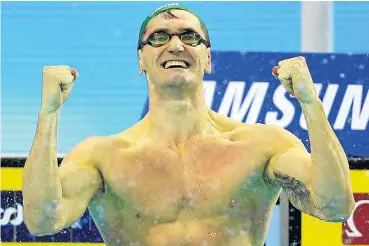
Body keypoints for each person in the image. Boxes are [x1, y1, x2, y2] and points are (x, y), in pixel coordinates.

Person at [22, 3, 355, 246]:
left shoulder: (262, 146)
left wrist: (311, 105)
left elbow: (336, 205)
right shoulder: (103, 156)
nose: (176, 45)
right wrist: (49, 114)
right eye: (159, 38)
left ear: (208, 59)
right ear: (140, 59)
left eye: (190, 36)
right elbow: (42, 219)